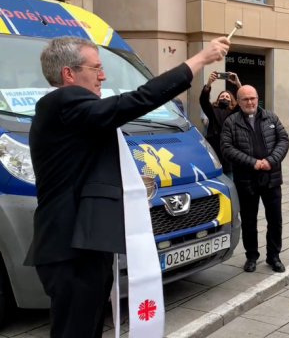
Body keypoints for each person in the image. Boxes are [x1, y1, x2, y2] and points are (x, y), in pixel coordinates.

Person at [25, 35, 230, 338]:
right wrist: (199, 60)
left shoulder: (74, 114)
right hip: (71, 248)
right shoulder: (62, 101)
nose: (103, 76)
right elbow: (136, 101)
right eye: (96, 68)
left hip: (83, 244)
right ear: (69, 74)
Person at [220, 85, 289, 273]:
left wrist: (270, 161)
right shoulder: (231, 122)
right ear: (239, 101)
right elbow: (226, 148)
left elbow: (283, 139)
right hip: (245, 180)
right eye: (245, 99)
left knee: (275, 219)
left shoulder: (271, 118)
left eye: (253, 98)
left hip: (271, 177)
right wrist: (253, 163)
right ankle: (251, 256)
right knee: (249, 221)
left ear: (258, 98)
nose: (250, 102)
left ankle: (273, 256)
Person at [200, 71, 241, 178]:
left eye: (227, 97)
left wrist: (238, 83)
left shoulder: (235, 112)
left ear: (232, 101)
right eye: (222, 96)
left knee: (229, 178)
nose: (224, 98)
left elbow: (243, 100)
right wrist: (209, 83)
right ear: (218, 99)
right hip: (214, 149)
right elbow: (203, 100)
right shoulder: (212, 110)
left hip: (230, 149)